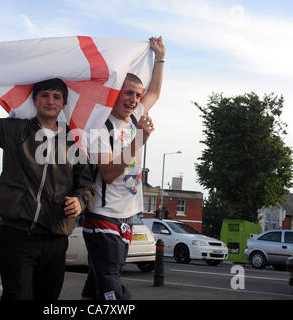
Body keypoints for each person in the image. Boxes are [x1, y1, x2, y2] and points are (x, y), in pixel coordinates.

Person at [0, 53, 95, 300]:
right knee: (17, 296)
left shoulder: (75, 141)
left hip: (56, 237)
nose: (50, 101)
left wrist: (80, 201)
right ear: (36, 100)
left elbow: (87, 184)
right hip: (17, 235)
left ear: (63, 103)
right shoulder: (15, 131)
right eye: (45, 96)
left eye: (56, 96)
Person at [82, 36, 165, 300]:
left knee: (95, 287)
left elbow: (154, 92)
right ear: (116, 93)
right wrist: (139, 140)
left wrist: (160, 58)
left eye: (136, 95)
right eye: (128, 92)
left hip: (127, 218)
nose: (134, 99)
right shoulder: (101, 126)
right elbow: (107, 173)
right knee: (115, 294)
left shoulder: (134, 120)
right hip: (103, 218)